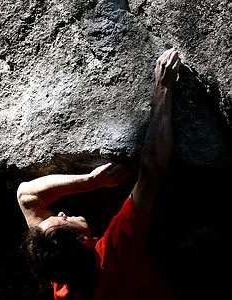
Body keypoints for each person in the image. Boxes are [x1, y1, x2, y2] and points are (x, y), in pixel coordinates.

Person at [17, 48, 181, 300]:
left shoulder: (63, 274)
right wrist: (164, 87)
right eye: (62, 219)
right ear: (83, 239)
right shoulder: (114, 255)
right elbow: (152, 169)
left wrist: (89, 181)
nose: (60, 212)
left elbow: (26, 197)